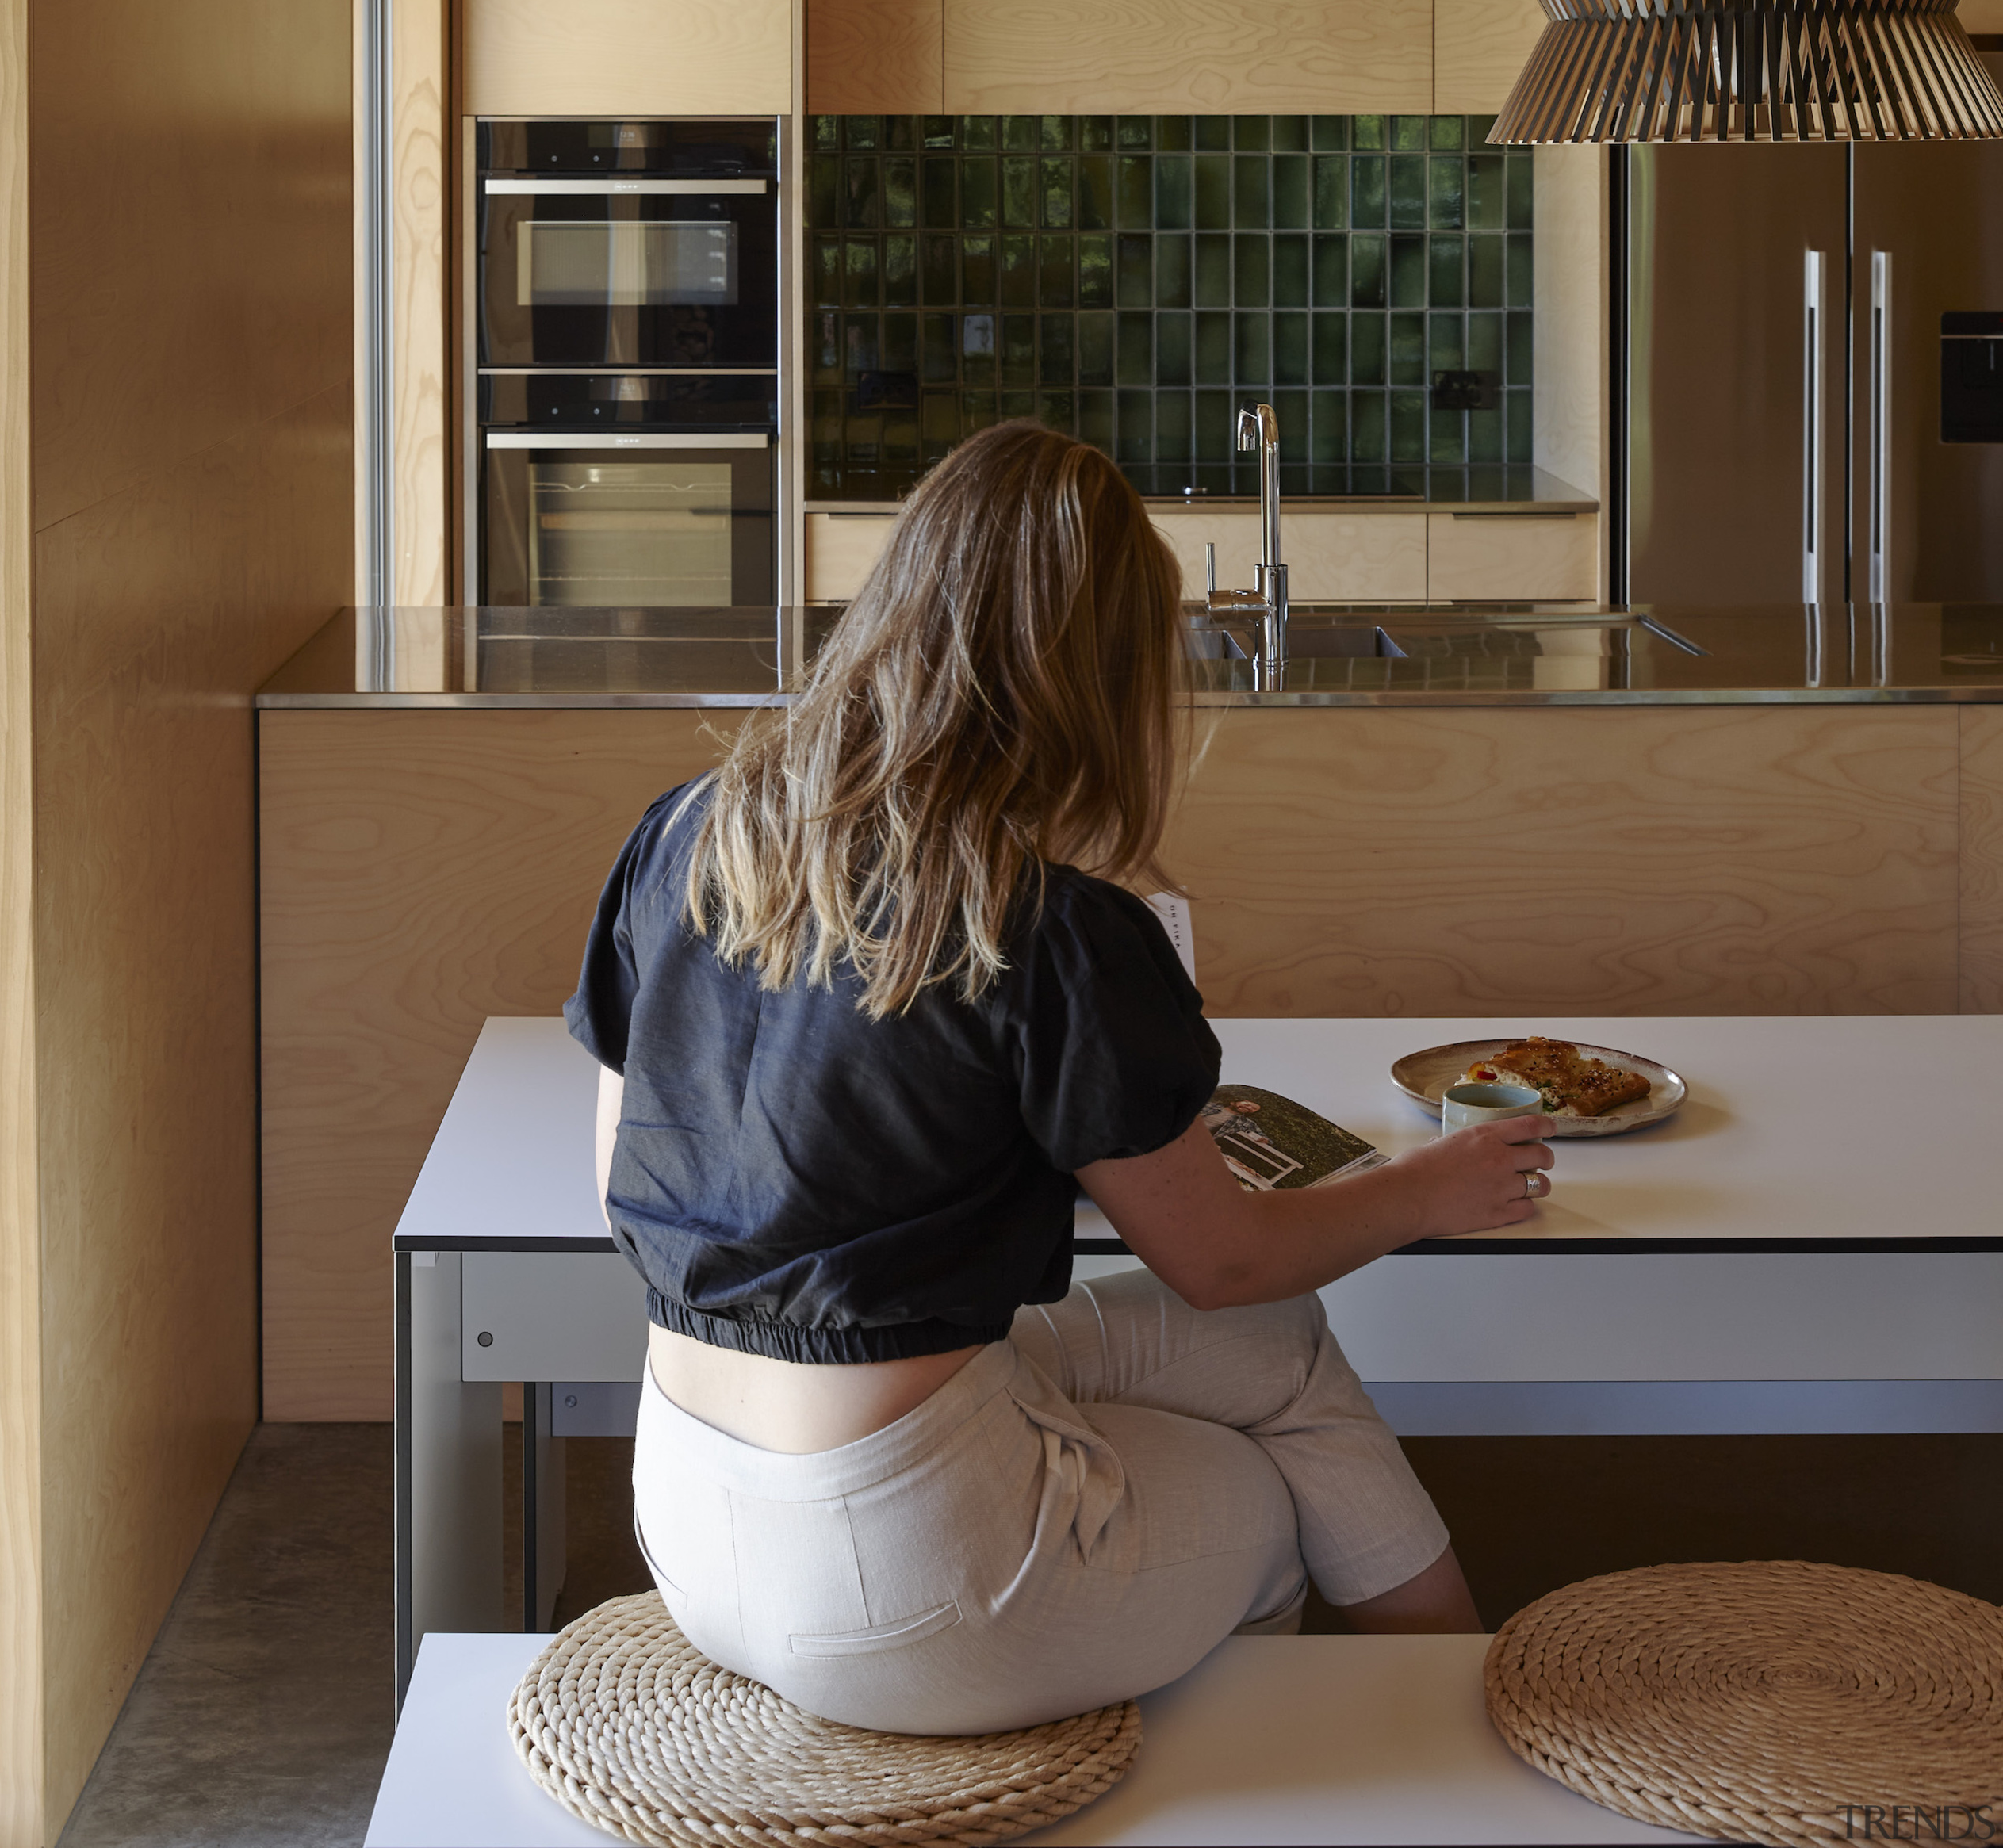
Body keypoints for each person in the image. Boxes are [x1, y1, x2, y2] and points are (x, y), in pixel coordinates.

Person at [565, 421, 1553, 1735]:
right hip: (913, 1569)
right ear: (1095, 679)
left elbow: (627, 1171)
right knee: (1272, 1501)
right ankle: (1361, 1772)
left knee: (1278, 1354)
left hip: (685, 1507)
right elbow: (1225, 1258)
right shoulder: (1053, 923)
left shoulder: (689, 833)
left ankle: (1458, 1717)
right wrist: (1427, 1191)